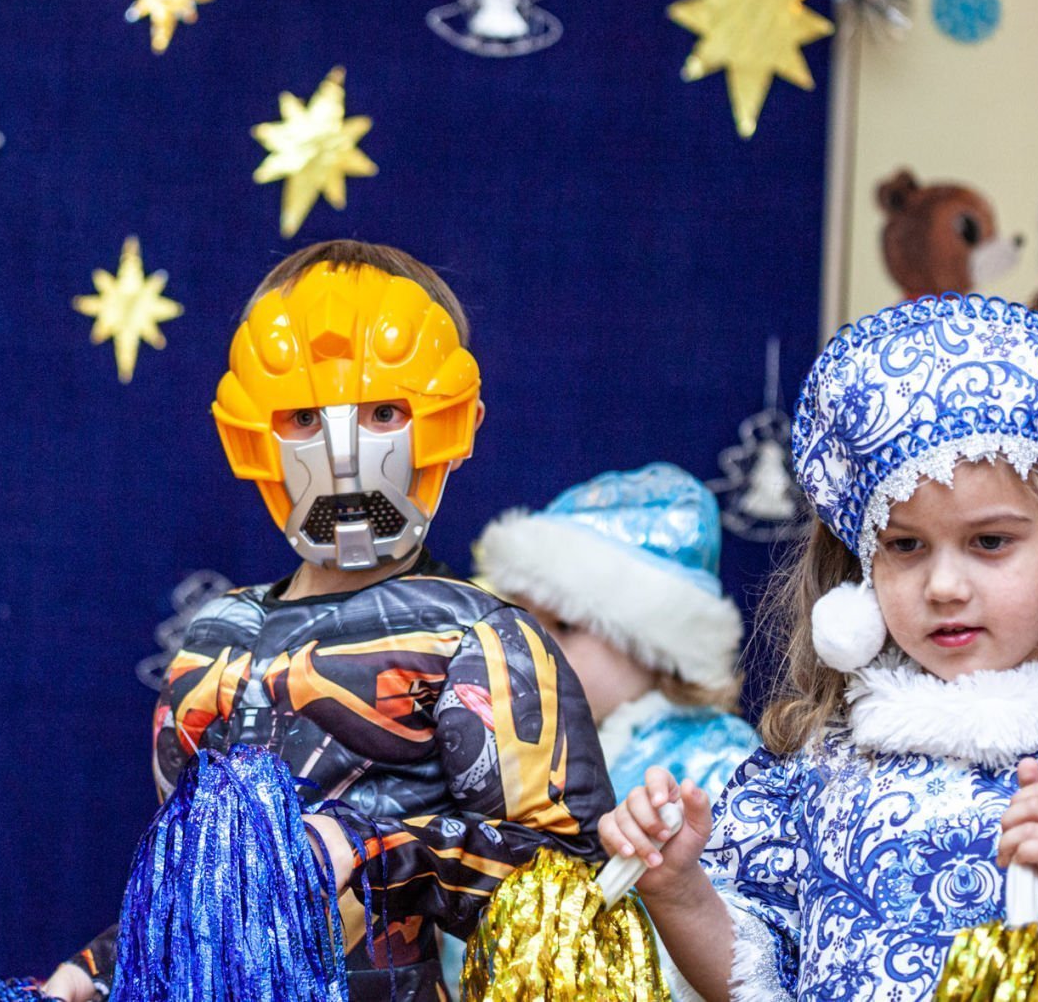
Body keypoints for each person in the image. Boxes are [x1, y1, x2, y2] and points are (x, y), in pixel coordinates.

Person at [46, 239, 613, 1002]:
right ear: (252, 431)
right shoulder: (216, 642)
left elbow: (574, 893)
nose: (344, 456)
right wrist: (96, 970)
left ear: (452, 423)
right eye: (305, 416)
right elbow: (200, 898)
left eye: (383, 412)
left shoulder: (480, 638)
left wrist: (377, 849)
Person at [600, 294, 1038, 1000]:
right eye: (906, 546)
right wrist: (677, 887)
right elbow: (748, 982)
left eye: (990, 541)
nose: (944, 586)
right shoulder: (812, 772)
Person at [466, 461, 758, 995]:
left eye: (564, 625)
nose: (531, 647)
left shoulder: (719, 761)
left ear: (652, 646)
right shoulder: (510, 752)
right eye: (520, 622)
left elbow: (741, 944)